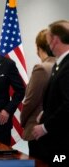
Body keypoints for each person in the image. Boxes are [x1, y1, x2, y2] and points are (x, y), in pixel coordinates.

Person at [32, 20, 69, 165]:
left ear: (54, 40)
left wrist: (45, 127)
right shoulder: (59, 64)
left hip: (63, 142)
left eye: (48, 37)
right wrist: (45, 112)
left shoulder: (67, 66)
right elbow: (58, 98)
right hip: (56, 139)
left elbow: (67, 104)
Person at [20, 29, 55, 158]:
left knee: (39, 162)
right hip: (55, 129)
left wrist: (22, 121)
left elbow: (30, 101)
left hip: (38, 130)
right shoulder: (62, 65)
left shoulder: (42, 68)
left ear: (38, 47)